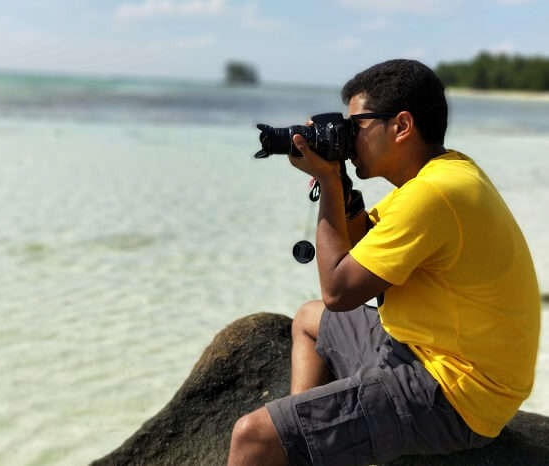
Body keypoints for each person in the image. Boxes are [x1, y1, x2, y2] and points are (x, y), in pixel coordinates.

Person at [226, 59, 541, 466]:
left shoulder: (434, 194)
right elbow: (363, 244)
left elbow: (339, 291)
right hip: (422, 350)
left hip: (454, 391)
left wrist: (326, 183)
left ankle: (283, 443)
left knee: (251, 437)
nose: (349, 137)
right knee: (308, 319)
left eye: (355, 126)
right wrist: (339, 183)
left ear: (402, 126)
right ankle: (301, 444)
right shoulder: (444, 172)